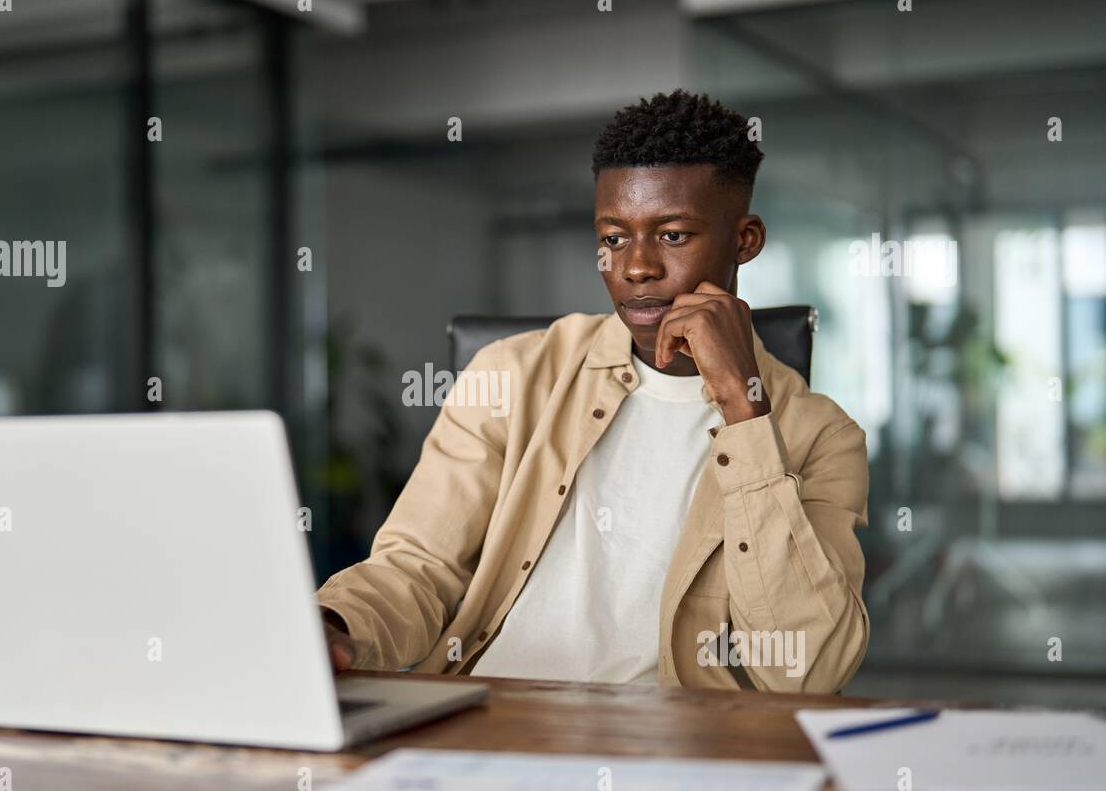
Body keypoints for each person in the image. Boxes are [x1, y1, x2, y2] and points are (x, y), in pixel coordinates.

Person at [319, 90, 869, 692]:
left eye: (674, 236)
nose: (636, 268)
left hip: (667, 750)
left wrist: (746, 412)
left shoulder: (821, 435)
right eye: (613, 238)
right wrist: (333, 624)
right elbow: (418, 567)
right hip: (490, 722)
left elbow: (807, 672)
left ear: (745, 240)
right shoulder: (509, 375)